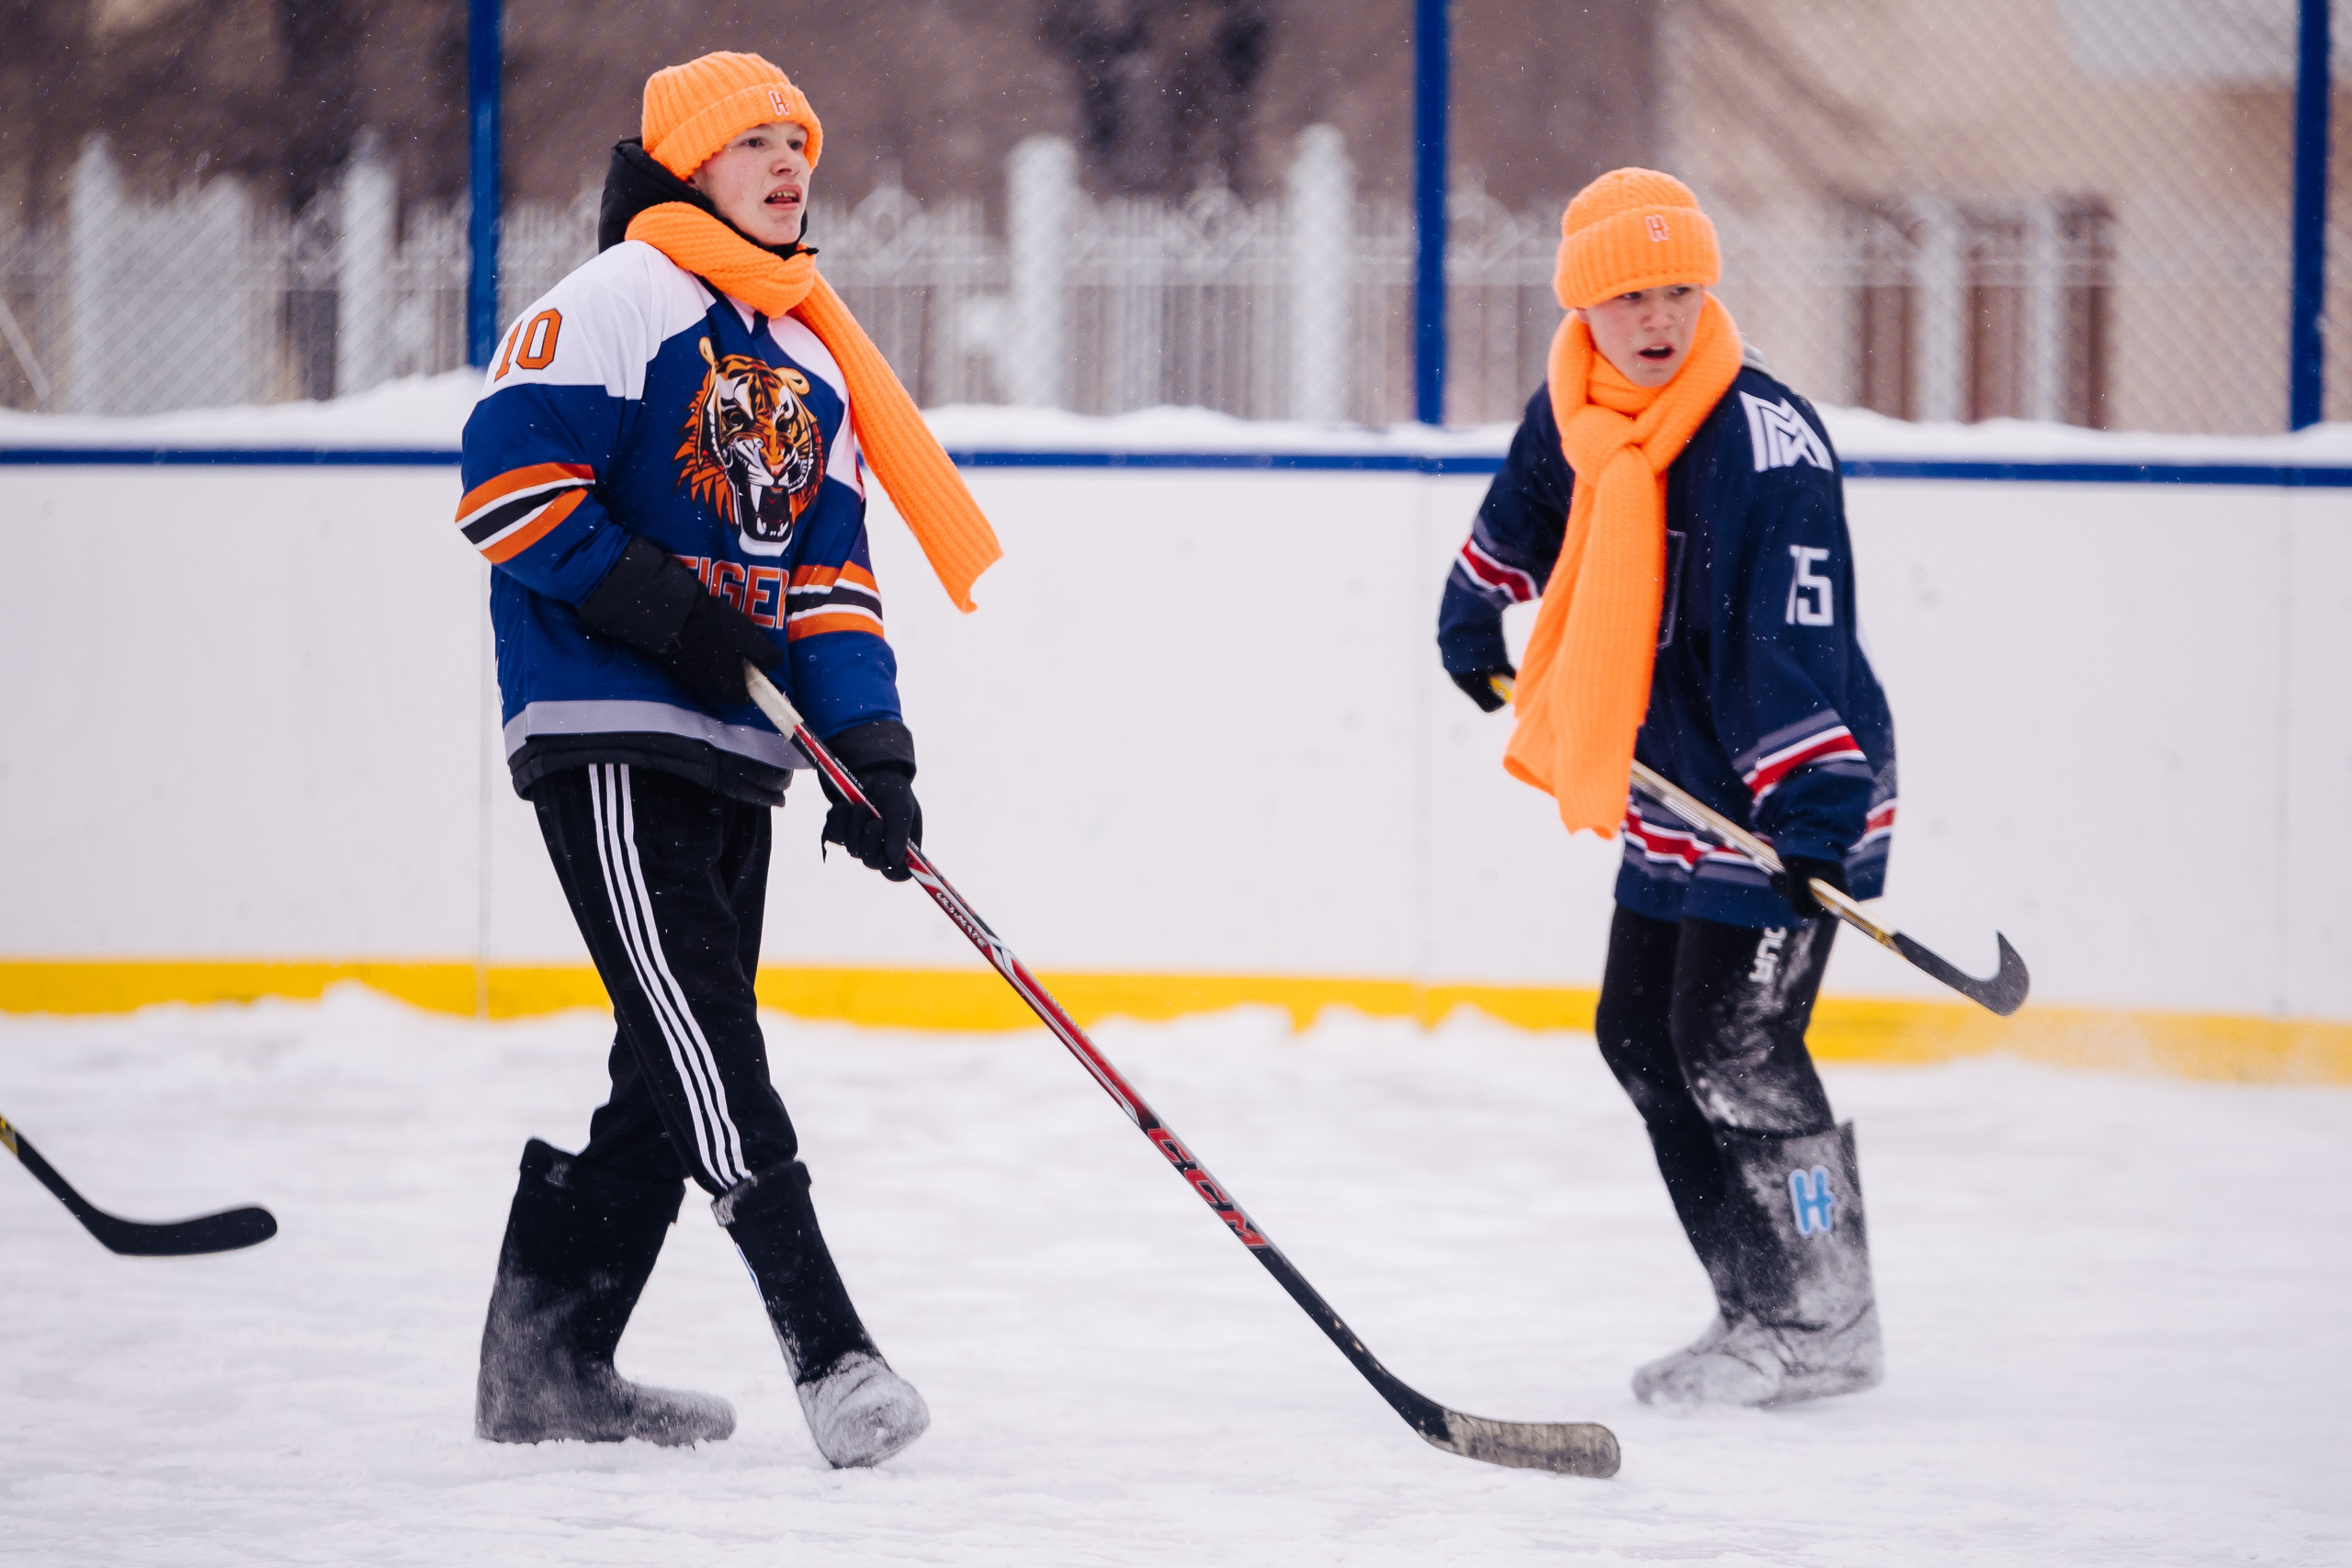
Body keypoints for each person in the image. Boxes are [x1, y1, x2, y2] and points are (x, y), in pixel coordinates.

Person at [455, 51, 1001, 1465]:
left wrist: (871, 752)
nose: (784, 161)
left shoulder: (806, 349)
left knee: (667, 1054)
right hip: (605, 725)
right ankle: (829, 1349)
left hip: (732, 740)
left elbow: (827, 579)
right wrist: (662, 606)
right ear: (687, 163)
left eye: (797, 140)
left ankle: (548, 1366)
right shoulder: (618, 298)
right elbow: (508, 480)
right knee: (710, 1037)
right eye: (751, 139)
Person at [1436, 170, 1894, 1409]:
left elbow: (1789, 640)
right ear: (1585, 308)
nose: (1658, 318)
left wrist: (1807, 812)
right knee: (1639, 1036)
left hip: (1789, 783)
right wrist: (1475, 605)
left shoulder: (1764, 446)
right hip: (1676, 784)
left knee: (1734, 1042)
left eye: (1680, 288)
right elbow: (1528, 511)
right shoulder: (1579, 405)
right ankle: (1751, 1309)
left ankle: (1825, 1318)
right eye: (1631, 294)